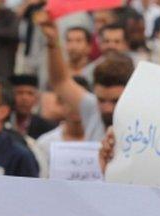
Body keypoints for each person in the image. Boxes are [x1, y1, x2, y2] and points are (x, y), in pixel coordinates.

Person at [37, 8, 133, 142]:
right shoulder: (92, 109)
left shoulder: (142, 118)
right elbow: (60, 82)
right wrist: (53, 41)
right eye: (101, 100)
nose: (107, 108)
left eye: (115, 101)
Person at [8, 74, 56, 139]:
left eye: (30, 93)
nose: (24, 98)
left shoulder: (47, 128)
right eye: (19, 93)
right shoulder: (1, 123)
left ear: (36, 99)